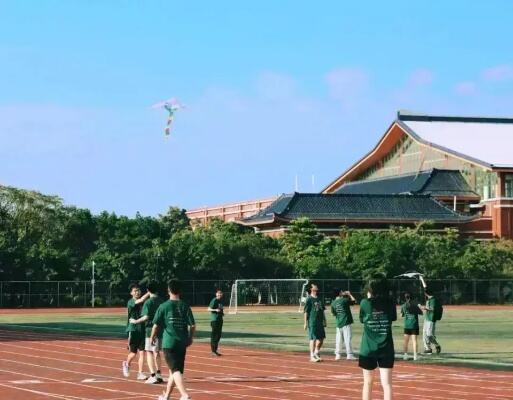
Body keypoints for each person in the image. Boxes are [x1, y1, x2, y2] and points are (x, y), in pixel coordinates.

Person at [151, 279, 196, 400]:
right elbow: (192, 325)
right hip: (182, 343)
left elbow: (156, 325)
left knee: (175, 370)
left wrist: (152, 337)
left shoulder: (164, 306)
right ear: (180, 291)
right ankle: (166, 396)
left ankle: (184, 394)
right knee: (174, 370)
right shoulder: (185, 305)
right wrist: (190, 338)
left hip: (169, 343)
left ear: (168, 290)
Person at [359, 274, 397, 400]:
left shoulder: (365, 303)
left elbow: (362, 319)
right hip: (386, 348)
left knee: (367, 383)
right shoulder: (390, 303)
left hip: (368, 349)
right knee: (387, 384)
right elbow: (393, 318)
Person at [129, 282, 164, 384]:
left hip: (149, 330)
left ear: (148, 291)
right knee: (157, 352)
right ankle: (159, 374)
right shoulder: (162, 301)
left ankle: (153, 375)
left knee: (149, 351)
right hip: (160, 329)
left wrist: (135, 321)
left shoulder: (148, 303)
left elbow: (146, 317)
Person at [122, 283, 150, 379]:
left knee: (142, 352)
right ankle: (126, 364)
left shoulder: (143, 302)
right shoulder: (130, 302)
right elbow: (141, 300)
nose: (137, 292)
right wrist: (149, 292)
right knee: (133, 353)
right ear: (131, 293)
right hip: (133, 329)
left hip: (142, 329)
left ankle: (140, 373)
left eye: (138, 290)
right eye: (135, 291)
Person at [331, 289, 357, 360]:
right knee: (347, 338)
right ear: (339, 293)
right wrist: (349, 294)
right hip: (346, 322)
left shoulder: (333, 303)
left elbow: (334, 313)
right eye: (341, 291)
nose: (342, 292)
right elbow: (354, 301)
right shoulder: (344, 300)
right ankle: (349, 354)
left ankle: (338, 354)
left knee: (339, 340)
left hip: (338, 323)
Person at [303, 283, 326, 362]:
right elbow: (306, 311)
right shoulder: (309, 299)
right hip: (312, 321)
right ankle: (312, 355)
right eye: (314, 287)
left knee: (321, 338)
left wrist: (324, 320)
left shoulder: (319, 299)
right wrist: (305, 323)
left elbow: (322, 310)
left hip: (320, 322)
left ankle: (316, 352)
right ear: (311, 289)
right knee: (312, 338)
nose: (316, 288)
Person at [400, 292, 423, 361]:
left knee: (405, 341)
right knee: (414, 341)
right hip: (414, 325)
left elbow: (402, 315)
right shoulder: (415, 305)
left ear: (405, 298)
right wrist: (419, 307)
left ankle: (405, 355)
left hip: (407, 325)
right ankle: (415, 356)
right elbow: (421, 313)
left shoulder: (403, 305)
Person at [422, 288, 442, 355]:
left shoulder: (433, 300)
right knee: (424, 334)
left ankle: (437, 345)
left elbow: (432, 309)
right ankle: (428, 348)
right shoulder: (430, 299)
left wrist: (425, 308)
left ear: (426, 293)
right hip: (427, 318)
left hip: (431, 319)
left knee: (429, 334)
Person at [207, 289, 224, 356]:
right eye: (218, 294)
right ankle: (213, 351)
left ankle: (215, 350)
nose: (219, 295)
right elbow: (208, 309)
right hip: (214, 320)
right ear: (216, 294)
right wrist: (215, 310)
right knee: (214, 335)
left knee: (218, 335)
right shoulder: (214, 300)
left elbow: (220, 310)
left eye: (220, 294)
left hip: (220, 320)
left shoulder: (220, 301)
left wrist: (222, 313)